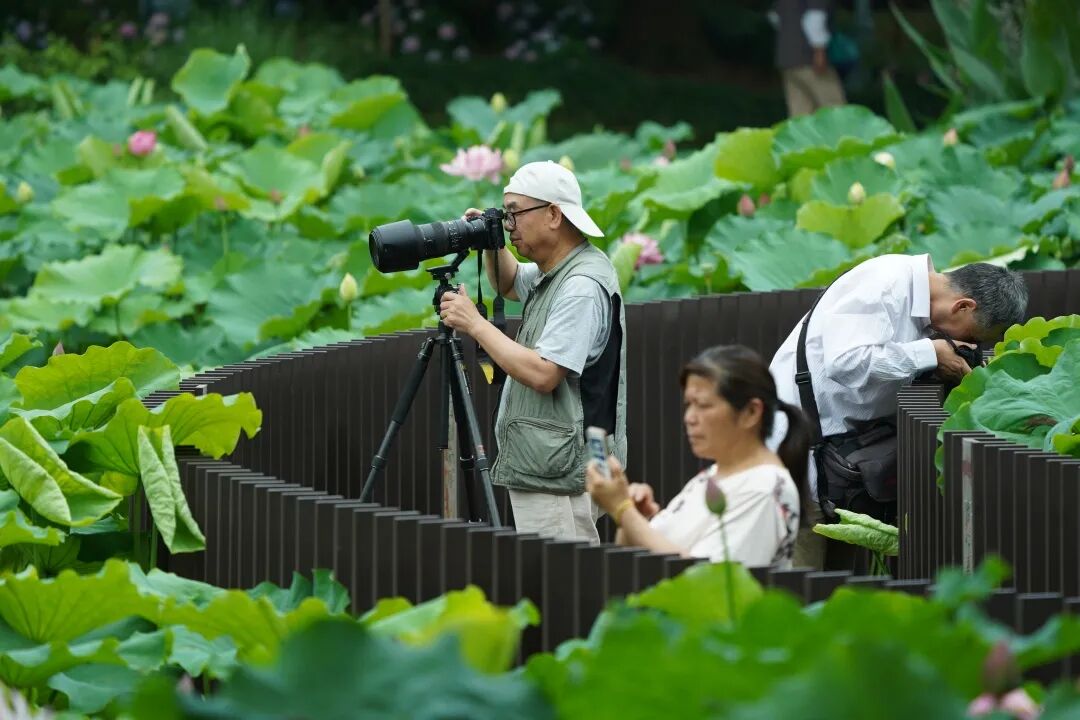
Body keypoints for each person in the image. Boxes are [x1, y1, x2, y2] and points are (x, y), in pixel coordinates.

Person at [768, 255, 1029, 569]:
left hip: (832, 462)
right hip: (795, 458)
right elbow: (846, 362)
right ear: (963, 306)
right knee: (799, 586)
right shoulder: (885, 285)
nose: (963, 343)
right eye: (972, 337)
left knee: (833, 587)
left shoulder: (917, 298)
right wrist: (930, 352)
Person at [438, 161, 626, 544]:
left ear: (554, 215)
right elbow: (509, 283)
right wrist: (492, 241)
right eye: (505, 216)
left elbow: (544, 373)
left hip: (561, 471)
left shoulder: (581, 287)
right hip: (554, 459)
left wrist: (475, 324)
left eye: (515, 214)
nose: (510, 225)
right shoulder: (556, 269)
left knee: (560, 587)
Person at [585, 345, 810, 567]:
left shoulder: (764, 488)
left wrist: (623, 510)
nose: (689, 418)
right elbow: (631, 559)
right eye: (688, 405)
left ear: (751, 413)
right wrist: (635, 517)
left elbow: (710, 581)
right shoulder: (714, 475)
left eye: (703, 405)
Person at [769, 0, 847, 117]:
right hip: (809, 58)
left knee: (800, 114)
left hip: (787, 57)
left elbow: (775, 17)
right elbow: (815, 18)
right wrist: (819, 51)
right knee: (836, 109)